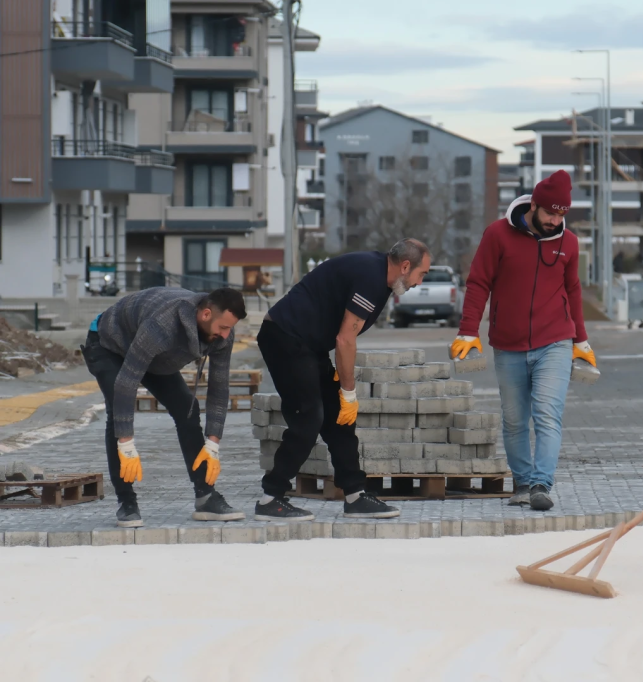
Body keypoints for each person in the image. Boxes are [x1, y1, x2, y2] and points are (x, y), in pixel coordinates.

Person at [255, 239, 432, 521]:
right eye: (422, 274)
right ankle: (270, 498)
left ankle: (355, 495)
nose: (419, 283)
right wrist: (348, 391)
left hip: (308, 345)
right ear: (405, 266)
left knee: (339, 417)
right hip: (284, 338)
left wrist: (343, 396)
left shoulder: (380, 276)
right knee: (309, 417)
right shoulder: (371, 278)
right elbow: (345, 340)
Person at [450, 170, 595, 512]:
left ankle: (542, 484)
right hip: (508, 344)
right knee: (515, 419)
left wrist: (582, 341)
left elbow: (573, 291)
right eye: (550, 213)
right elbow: (478, 282)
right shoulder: (498, 235)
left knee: (547, 414)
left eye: (562, 214)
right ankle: (523, 482)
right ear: (535, 205)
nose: (555, 220)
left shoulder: (568, 243)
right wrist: (468, 330)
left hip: (555, 342)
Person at [82, 287, 248, 528]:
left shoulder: (222, 335)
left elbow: (219, 389)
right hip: (110, 343)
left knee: (187, 410)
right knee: (117, 413)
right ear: (206, 314)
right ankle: (127, 502)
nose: (226, 335)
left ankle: (206, 498)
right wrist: (126, 445)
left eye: (230, 328)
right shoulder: (162, 325)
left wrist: (212, 444)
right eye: (223, 327)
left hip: (153, 354)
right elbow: (127, 383)